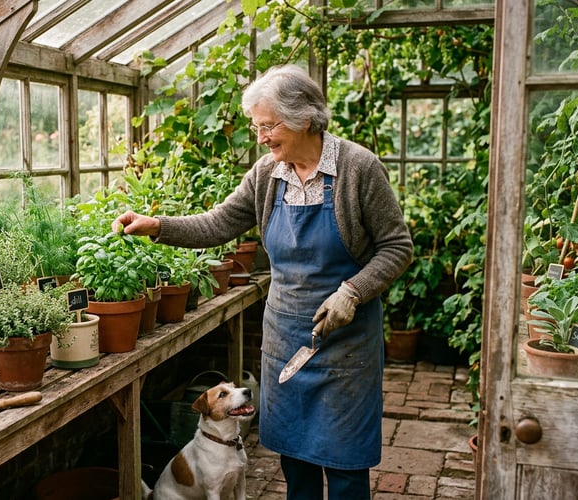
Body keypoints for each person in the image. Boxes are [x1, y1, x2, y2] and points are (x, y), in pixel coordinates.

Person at [113, 64, 412, 499]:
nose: (261, 137)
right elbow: (218, 224)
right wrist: (158, 225)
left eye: (268, 126)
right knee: (296, 462)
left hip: (346, 345)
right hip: (286, 339)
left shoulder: (358, 169)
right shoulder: (266, 175)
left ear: (304, 119)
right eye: (258, 126)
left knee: (346, 466)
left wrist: (353, 291)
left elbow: (397, 247)